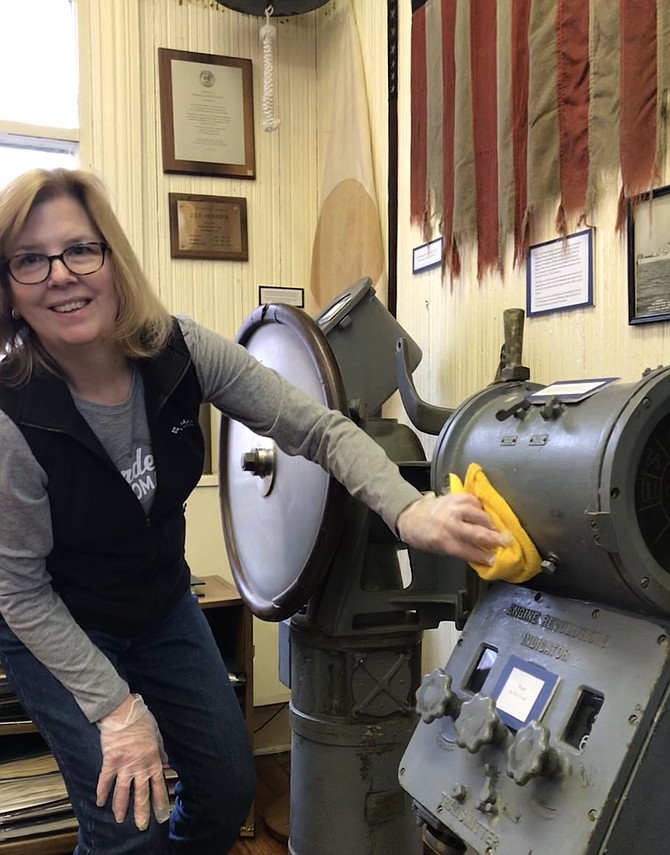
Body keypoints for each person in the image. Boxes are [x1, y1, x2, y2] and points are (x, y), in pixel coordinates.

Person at [0, 167, 508, 855]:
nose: (60, 274)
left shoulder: (176, 350)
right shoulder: (12, 415)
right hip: (56, 620)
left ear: (113, 258)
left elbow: (319, 428)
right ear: (8, 286)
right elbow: (20, 591)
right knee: (125, 828)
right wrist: (117, 710)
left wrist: (408, 509)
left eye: (79, 249)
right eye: (30, 259)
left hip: (156, 606)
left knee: (227, 787)